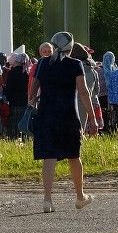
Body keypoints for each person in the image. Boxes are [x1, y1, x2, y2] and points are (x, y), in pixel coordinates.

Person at [29, 31, 94, 212]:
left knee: (49, 158)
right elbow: (83, 92)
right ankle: (80, 196)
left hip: (46, 115)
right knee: (74, 156)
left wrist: (32, 102)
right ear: (71, 47)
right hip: (68, 116)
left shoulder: (43, 63)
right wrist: (93, 118)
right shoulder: (75, 64)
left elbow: (33, 91)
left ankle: (47, 200)